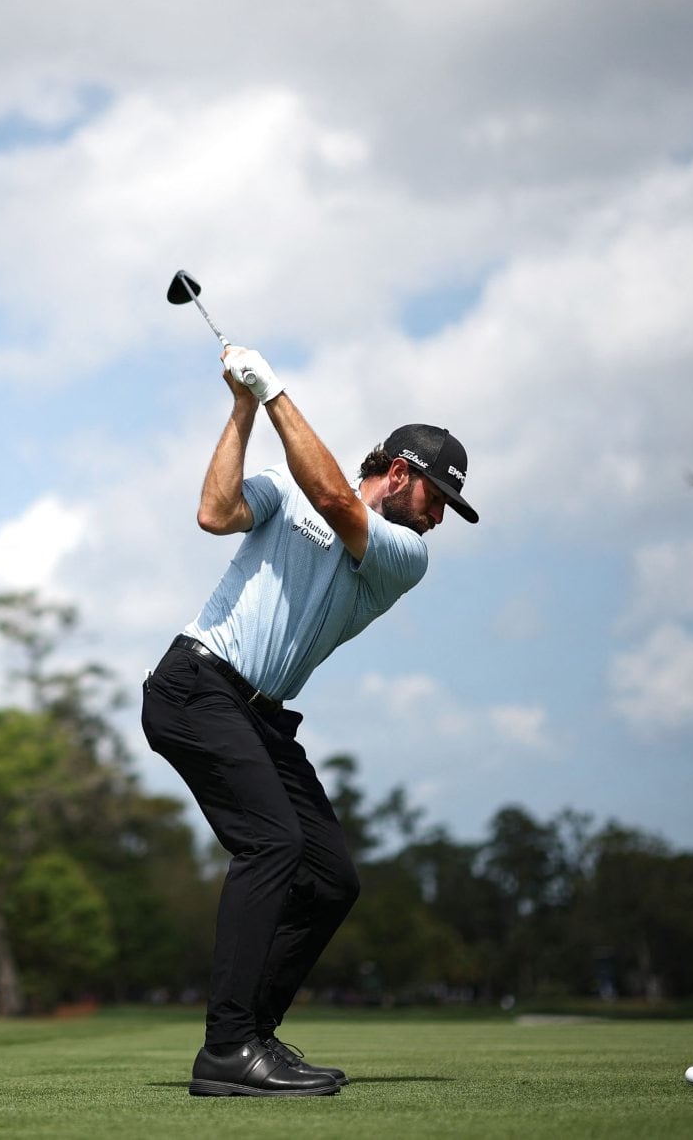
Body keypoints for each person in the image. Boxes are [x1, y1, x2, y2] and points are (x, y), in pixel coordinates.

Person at [142, 345, 476, 1099]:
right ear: (400, 473)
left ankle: (251, 1035)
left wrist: (275, 389)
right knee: (274, 842)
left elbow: (331, 499)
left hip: (260, 715)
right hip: (196, 685)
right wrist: (242, 406)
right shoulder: (294, 494)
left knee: (330, 879)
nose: (438, 520)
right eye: (436, 500)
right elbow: (215, 512)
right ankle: (228, 1049)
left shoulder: (401, 553)